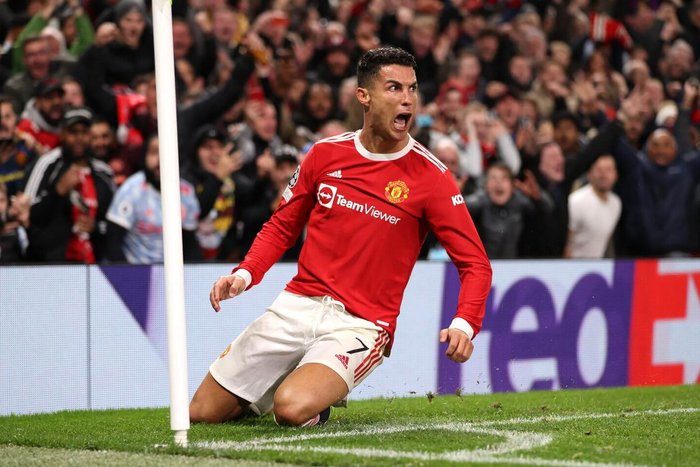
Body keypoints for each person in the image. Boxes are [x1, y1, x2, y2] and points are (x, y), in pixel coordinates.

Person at [189, 47, 492, 427]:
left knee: (291, 410)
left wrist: (465, 323)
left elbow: (475, 263)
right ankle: (281, 382)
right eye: (394, 88)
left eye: (412, 89)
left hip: (361, 324)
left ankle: (309, 394)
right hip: (297, 305)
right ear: (364, 96)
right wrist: (245, 274)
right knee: (201, 414)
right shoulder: (324, 155)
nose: (407, 99)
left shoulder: (432, 177)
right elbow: (282, 226)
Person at [22, 107, 115, 262]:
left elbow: (114, 224)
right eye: (73, 132)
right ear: (62, 134)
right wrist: (57, 191)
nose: (79, 138)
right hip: (52, 262)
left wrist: (96, 227)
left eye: (84, 132)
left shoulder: (104, 173)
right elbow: (27, 215)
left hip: (95, 264)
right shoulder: (47, 164)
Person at [105, 134, 201, 263]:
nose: (161, 159)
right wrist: (128, 273)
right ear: (145, 156)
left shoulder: (186, 192)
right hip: (135, 267)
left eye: (167, 153)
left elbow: (190, 242)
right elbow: (113, 242)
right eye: (154, 152)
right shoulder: (131, 190)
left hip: (173, 270)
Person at [565, 155, 621, 258]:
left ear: (616, 175)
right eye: (599, 170)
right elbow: (566, 242)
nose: (604, 175)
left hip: (598, 264)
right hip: (573, 264)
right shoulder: (576, 201)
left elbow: (605, 241)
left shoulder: (616, 203)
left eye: (608, 170)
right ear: (589, 174)